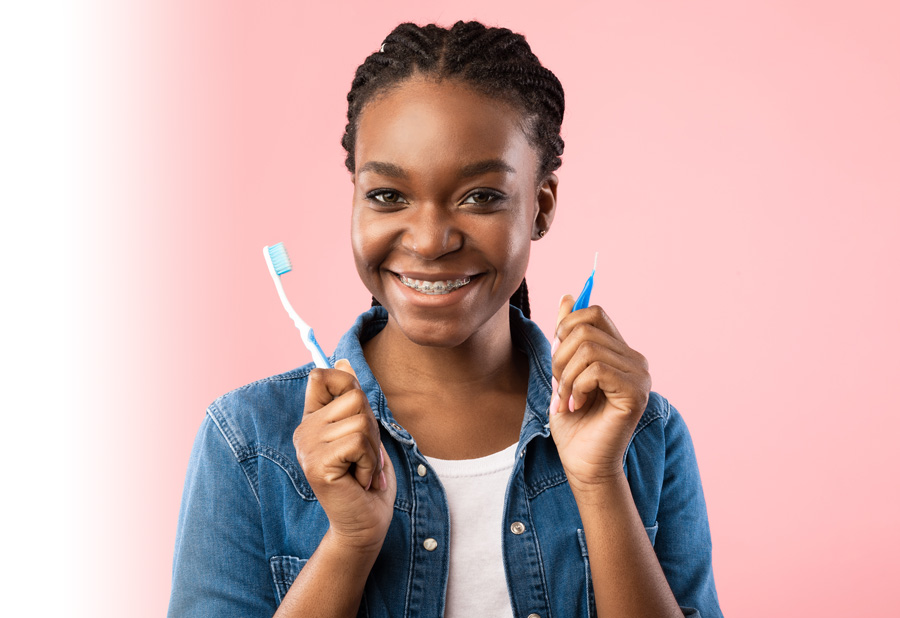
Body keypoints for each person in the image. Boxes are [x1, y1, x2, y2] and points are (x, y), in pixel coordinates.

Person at [168, 20, 722, 618]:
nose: (430, 241)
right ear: (354, 196)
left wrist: (598, 483)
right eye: (388, 196)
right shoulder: (248, 442)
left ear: (541, 206)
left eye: (481, 196)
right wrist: (349, 544)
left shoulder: (644, 436)